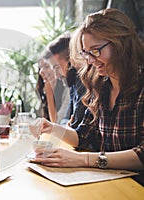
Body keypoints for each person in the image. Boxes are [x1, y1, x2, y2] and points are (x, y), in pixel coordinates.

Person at [29, 8, 144, 183]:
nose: (90, 60)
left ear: (121, 44)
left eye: (95, 51)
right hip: (111, 181)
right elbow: (83, 136)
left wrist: (84, 159)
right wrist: (52, 127)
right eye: (86, 53)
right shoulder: (101, 86)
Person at [46, 33, 87, 129]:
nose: (56, 75)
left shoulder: (84, 84)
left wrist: (67, 127)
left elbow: (75, 128)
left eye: (57, 67)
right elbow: (65, 120)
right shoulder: (73, 85)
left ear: (71, 60)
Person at [36, 44, 70, 124]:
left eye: (47, 66)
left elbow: (56, 123)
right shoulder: (45, 88)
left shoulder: (68, 89)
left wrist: (49, 92)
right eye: (40, 68)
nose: (42, 71)